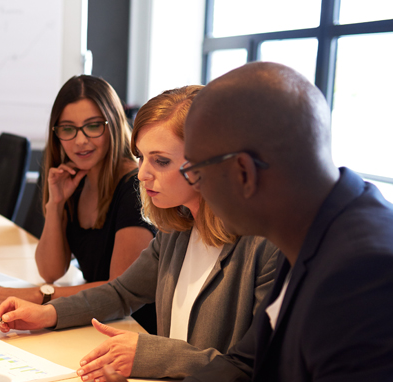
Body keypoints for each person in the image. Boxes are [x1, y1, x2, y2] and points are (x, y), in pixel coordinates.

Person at [115, 62, 393, 382]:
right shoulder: (309, 228)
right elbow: (245, 364)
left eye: (198, 172)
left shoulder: (364, 271)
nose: (197, 187)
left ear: (243, 173)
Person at [0, 86, 280, 380]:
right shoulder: (177, 228)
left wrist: (148, 355)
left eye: (161, 161)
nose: (141, 174)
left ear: (208, 161)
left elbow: (254, 368)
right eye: (141, 157)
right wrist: (48, 314)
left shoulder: (265, 247)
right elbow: (122, 291)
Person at [0, 75, 157, 330]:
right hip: (91, 318)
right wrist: (56, 204)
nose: (80, 140)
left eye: (93, 126)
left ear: (113, 124)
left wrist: (41, 294)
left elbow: (120, 288)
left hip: (131, 326)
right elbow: (50, 271)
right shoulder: (76, 180)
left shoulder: (133, 189)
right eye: (68, 129)